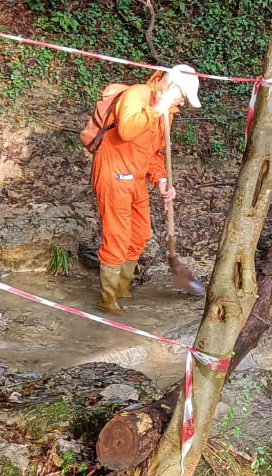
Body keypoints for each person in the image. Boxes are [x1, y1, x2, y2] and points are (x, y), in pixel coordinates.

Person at [91, 64, 201, 314]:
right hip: (114, 173)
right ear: (171, 86)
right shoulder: (137, 95)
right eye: (182, 96)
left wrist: (161, 180)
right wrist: (158, 108)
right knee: (117, 237)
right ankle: (107, 301)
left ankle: (121, 287)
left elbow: (153, 152)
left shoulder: (167, 113)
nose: (182, 103)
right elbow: (127, 130)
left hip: (136, 177)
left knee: (140, 234)